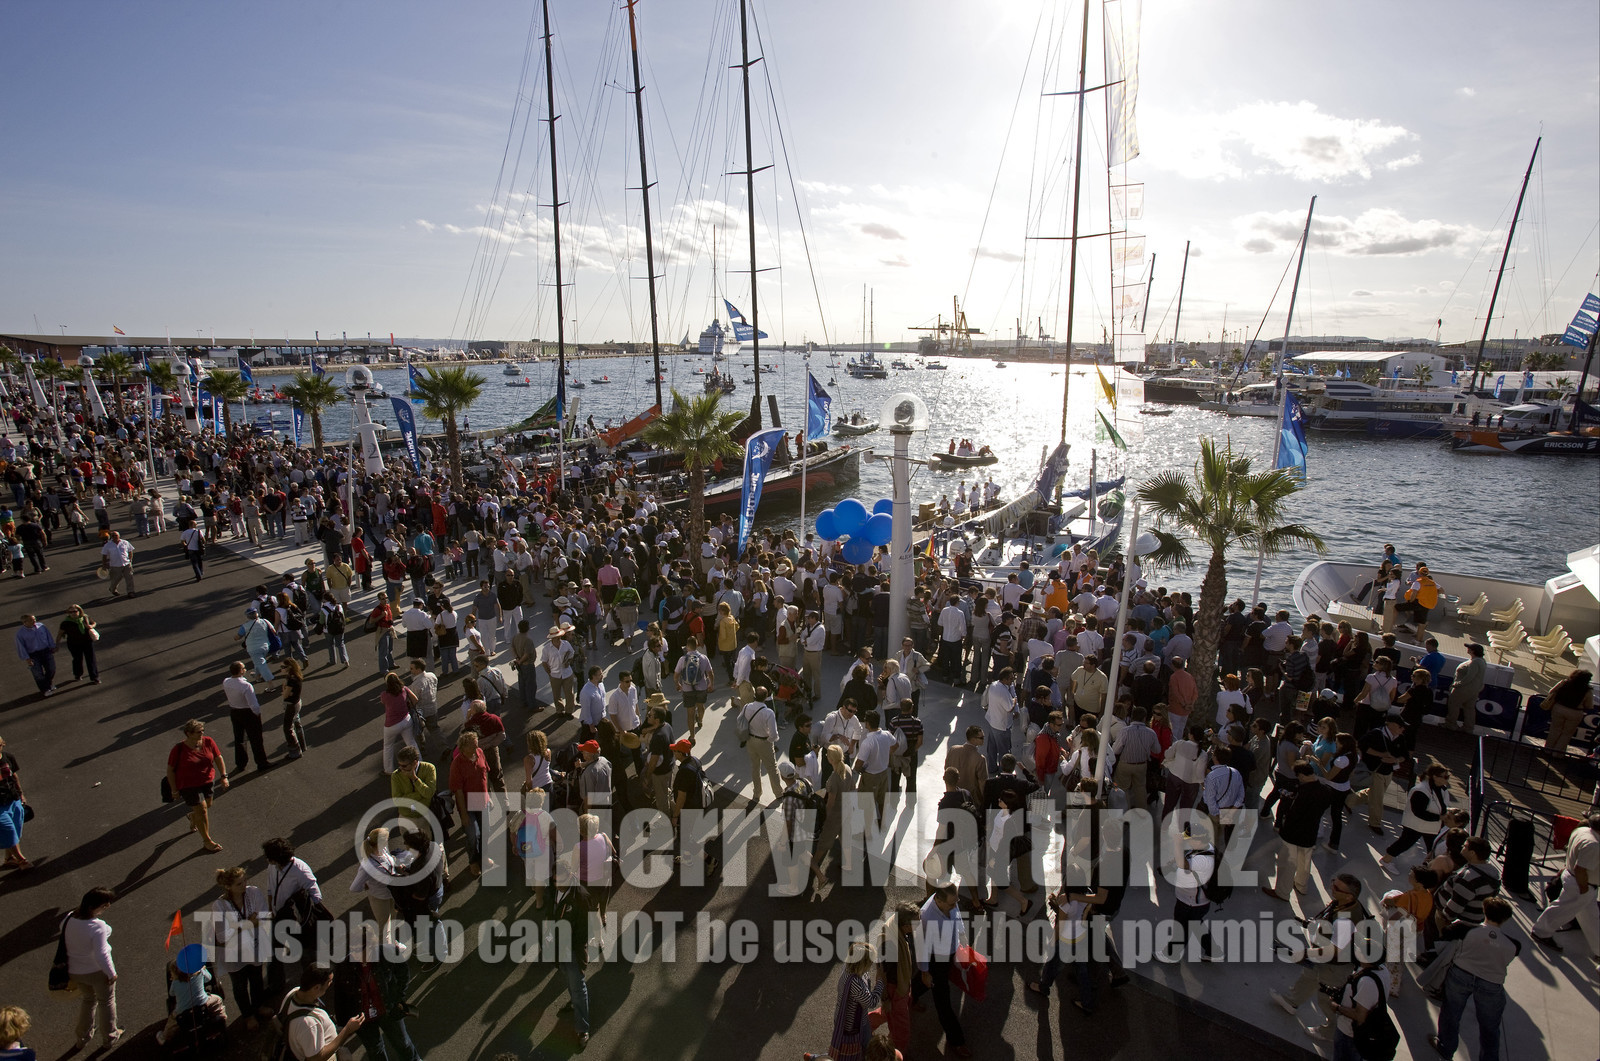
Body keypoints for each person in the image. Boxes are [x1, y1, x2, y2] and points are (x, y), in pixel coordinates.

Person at [1432, 896, 1519, 1061]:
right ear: (1505, 919)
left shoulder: (1464, 929)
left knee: (1451, 1013)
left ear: (1484, 912)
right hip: (1491, 984)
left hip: (1460, 974)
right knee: (1490, 1027)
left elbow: (1445, 933)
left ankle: (1445, 1047)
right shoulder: (1513, 945)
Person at [911, 884, 970, 1058]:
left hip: (948, 952)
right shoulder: (926, 917)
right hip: (936, 959)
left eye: (956, 901)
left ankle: (910, 996)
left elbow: (957, 916)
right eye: (952, 903)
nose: (955, 905)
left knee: (923, 984)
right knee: (943, 1001)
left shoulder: (950, 901)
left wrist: (962, 937)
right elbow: (921, 947)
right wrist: (924, 971)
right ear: (938, 899)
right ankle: (957, 1041)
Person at [211, 866, 272, 1030]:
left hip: (254, 947)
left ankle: (259, 1005)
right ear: (228, 887)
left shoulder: (253, 892)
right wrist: (249, 923)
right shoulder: (220, 906)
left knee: (257, 979)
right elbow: (223, 935)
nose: (244, 885)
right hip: (234, 954)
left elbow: (265, 915)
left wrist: (236, 927)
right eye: (239, 884)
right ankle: (248, 1015)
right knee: (239, 986)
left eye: (244, 880)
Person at [64, 886, 124, 1049]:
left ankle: (82, 1037)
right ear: (93, 907)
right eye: (104, 906)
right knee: (106, 1002)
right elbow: (102, 954)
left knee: (88, 1000)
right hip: (96, 971)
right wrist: (111, 973)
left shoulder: (69, 918)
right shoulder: (97, 926)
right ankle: (110, 1036)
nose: (106, 908)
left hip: (75, 970)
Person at [1531, 812, 1598, 956]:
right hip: (1582, 885)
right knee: (1562, 910)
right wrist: (1585, 889)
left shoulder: (1582, 830)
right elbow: (1581, 870)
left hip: (1575, 880)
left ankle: (1598, 949)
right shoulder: (1594, 845)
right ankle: (1541, 932)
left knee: (1591, 917)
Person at [806, 940, 885, 1061]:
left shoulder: (847, 967)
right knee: (848, 1051)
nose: (871, 965)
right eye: (869, 962)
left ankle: (814, 1058)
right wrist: (880, 982)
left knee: (839, 1048)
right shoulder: (856, 984)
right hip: (852, 1025)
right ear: (862, 964)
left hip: (843, 1017)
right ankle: (815, 1058)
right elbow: (872, 1002)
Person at [280, 963, 365, 1061]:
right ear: (316, 988)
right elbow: (316, 1058)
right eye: (329, 982)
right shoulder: (309, 1024)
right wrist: (347, 1030)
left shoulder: (293, 993)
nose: (330, 984)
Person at [167, 719, 228, 853]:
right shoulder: (179, 749)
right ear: (188, 733)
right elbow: (170, 770)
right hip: (188, 785)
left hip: (207, 781)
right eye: (198, 732)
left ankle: (194, 817)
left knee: (208, 805)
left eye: (202, 731)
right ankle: (207, 841)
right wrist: (174, 789)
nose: (202, 733)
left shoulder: (208, 741)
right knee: (203, 810)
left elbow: (218, 757)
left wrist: (224, 776)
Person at [1542, 668, 1594, 755]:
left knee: (1554, 730)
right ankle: (1557, 754)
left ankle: (1547, 750)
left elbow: (1551, 691)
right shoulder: (1587, 690)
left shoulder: (1564, 683)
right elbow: (1589, 705)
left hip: (1559, 708)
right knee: (1567, 734)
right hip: (1575, 712)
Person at [378, 672, 419, 776]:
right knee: (411, 743)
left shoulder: (384, 695)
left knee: (388, 746)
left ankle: (388, 770)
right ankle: (419, 764)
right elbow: (415, 699)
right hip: (406, 720)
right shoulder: (404, 689)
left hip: (391, 725)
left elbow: (384, 703)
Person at [0, 736, 32, 870]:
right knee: (9, 830)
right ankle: (22, 860)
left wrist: (21, 794)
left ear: (3, 744)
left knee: (16, 830)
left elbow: (14, 776)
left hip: (12, 799)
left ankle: (8, 858)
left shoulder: (8, 757)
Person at [1443, 643, 1486, 732]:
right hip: (1474, 690)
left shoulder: (1474, 662)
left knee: (1454, 704)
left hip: (1463, 689)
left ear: (1473, 651)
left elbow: (1469, 677)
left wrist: (1457, 684)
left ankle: (1451, 724)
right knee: (1469, 708)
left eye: (1469, 648)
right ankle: (1468, 727)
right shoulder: (1482, 661)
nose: (1467, 649)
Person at [13, 614, 57, 698]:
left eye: (34, 619)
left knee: (51, 669)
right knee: (38, 674)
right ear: (24, 622)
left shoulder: (41, 626)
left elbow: (48, 636)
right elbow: (21, 647)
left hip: (46, 651)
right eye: (31, 620)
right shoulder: (20, 634)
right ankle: (45, 689)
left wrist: (52, 646)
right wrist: (27, 658)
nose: (34, 621)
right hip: (33, 655)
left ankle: (48, 683)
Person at [57, 605, 100, 685]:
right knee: (77, 659)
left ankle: (95, 677)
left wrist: (91, 626)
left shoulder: (85, 617)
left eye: (75, 611)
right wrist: (57, 645)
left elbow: (94, 623)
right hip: (74, 644)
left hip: (87, 642)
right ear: (68, 613)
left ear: (80, 611)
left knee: (91, 659)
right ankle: (78, 674)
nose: (73, 613)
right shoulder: (65, 623)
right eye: (71, 612)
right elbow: (60, 634)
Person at [99, 530, 135, 596]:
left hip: (126, 564)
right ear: (111, 537)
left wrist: (130, 560)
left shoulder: (125, 542)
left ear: (119, 536)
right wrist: (104, 565)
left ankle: (131, 591)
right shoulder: (108, 545)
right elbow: (104, 556)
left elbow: (130, 551)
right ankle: (112, 588)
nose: (115, 537)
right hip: (115, 565)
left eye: (116, 535)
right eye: (113, 536)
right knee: (116, 579)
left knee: (129, 578)